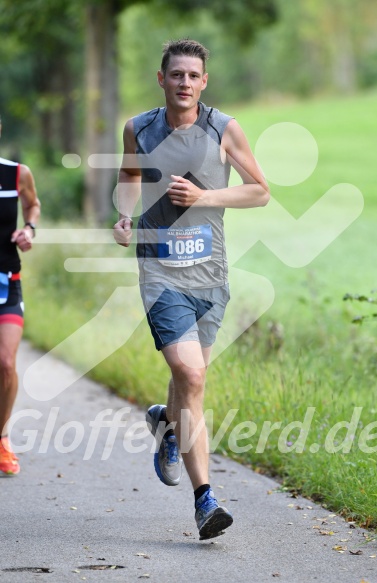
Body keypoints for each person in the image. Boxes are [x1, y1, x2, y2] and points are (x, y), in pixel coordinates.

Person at [114, 39, 269, 539]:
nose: (184, 82)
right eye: (175, 74)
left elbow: (260, 191)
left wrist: (206, 195)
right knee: (192, 375)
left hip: (210, 272)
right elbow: (128, 175)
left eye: (193, 75)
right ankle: (206, 500)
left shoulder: (223, 129)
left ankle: (166, 423)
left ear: (205, 81)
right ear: (161, 79)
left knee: (188, 383)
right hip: (160, 271)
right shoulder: (138, 128)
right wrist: (123, 213)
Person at [0, 116, 40, 475]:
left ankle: (1, 437)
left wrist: (29, 229)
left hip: (6, 280)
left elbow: (32, 205)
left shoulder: (16, 174)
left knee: (6, 363)